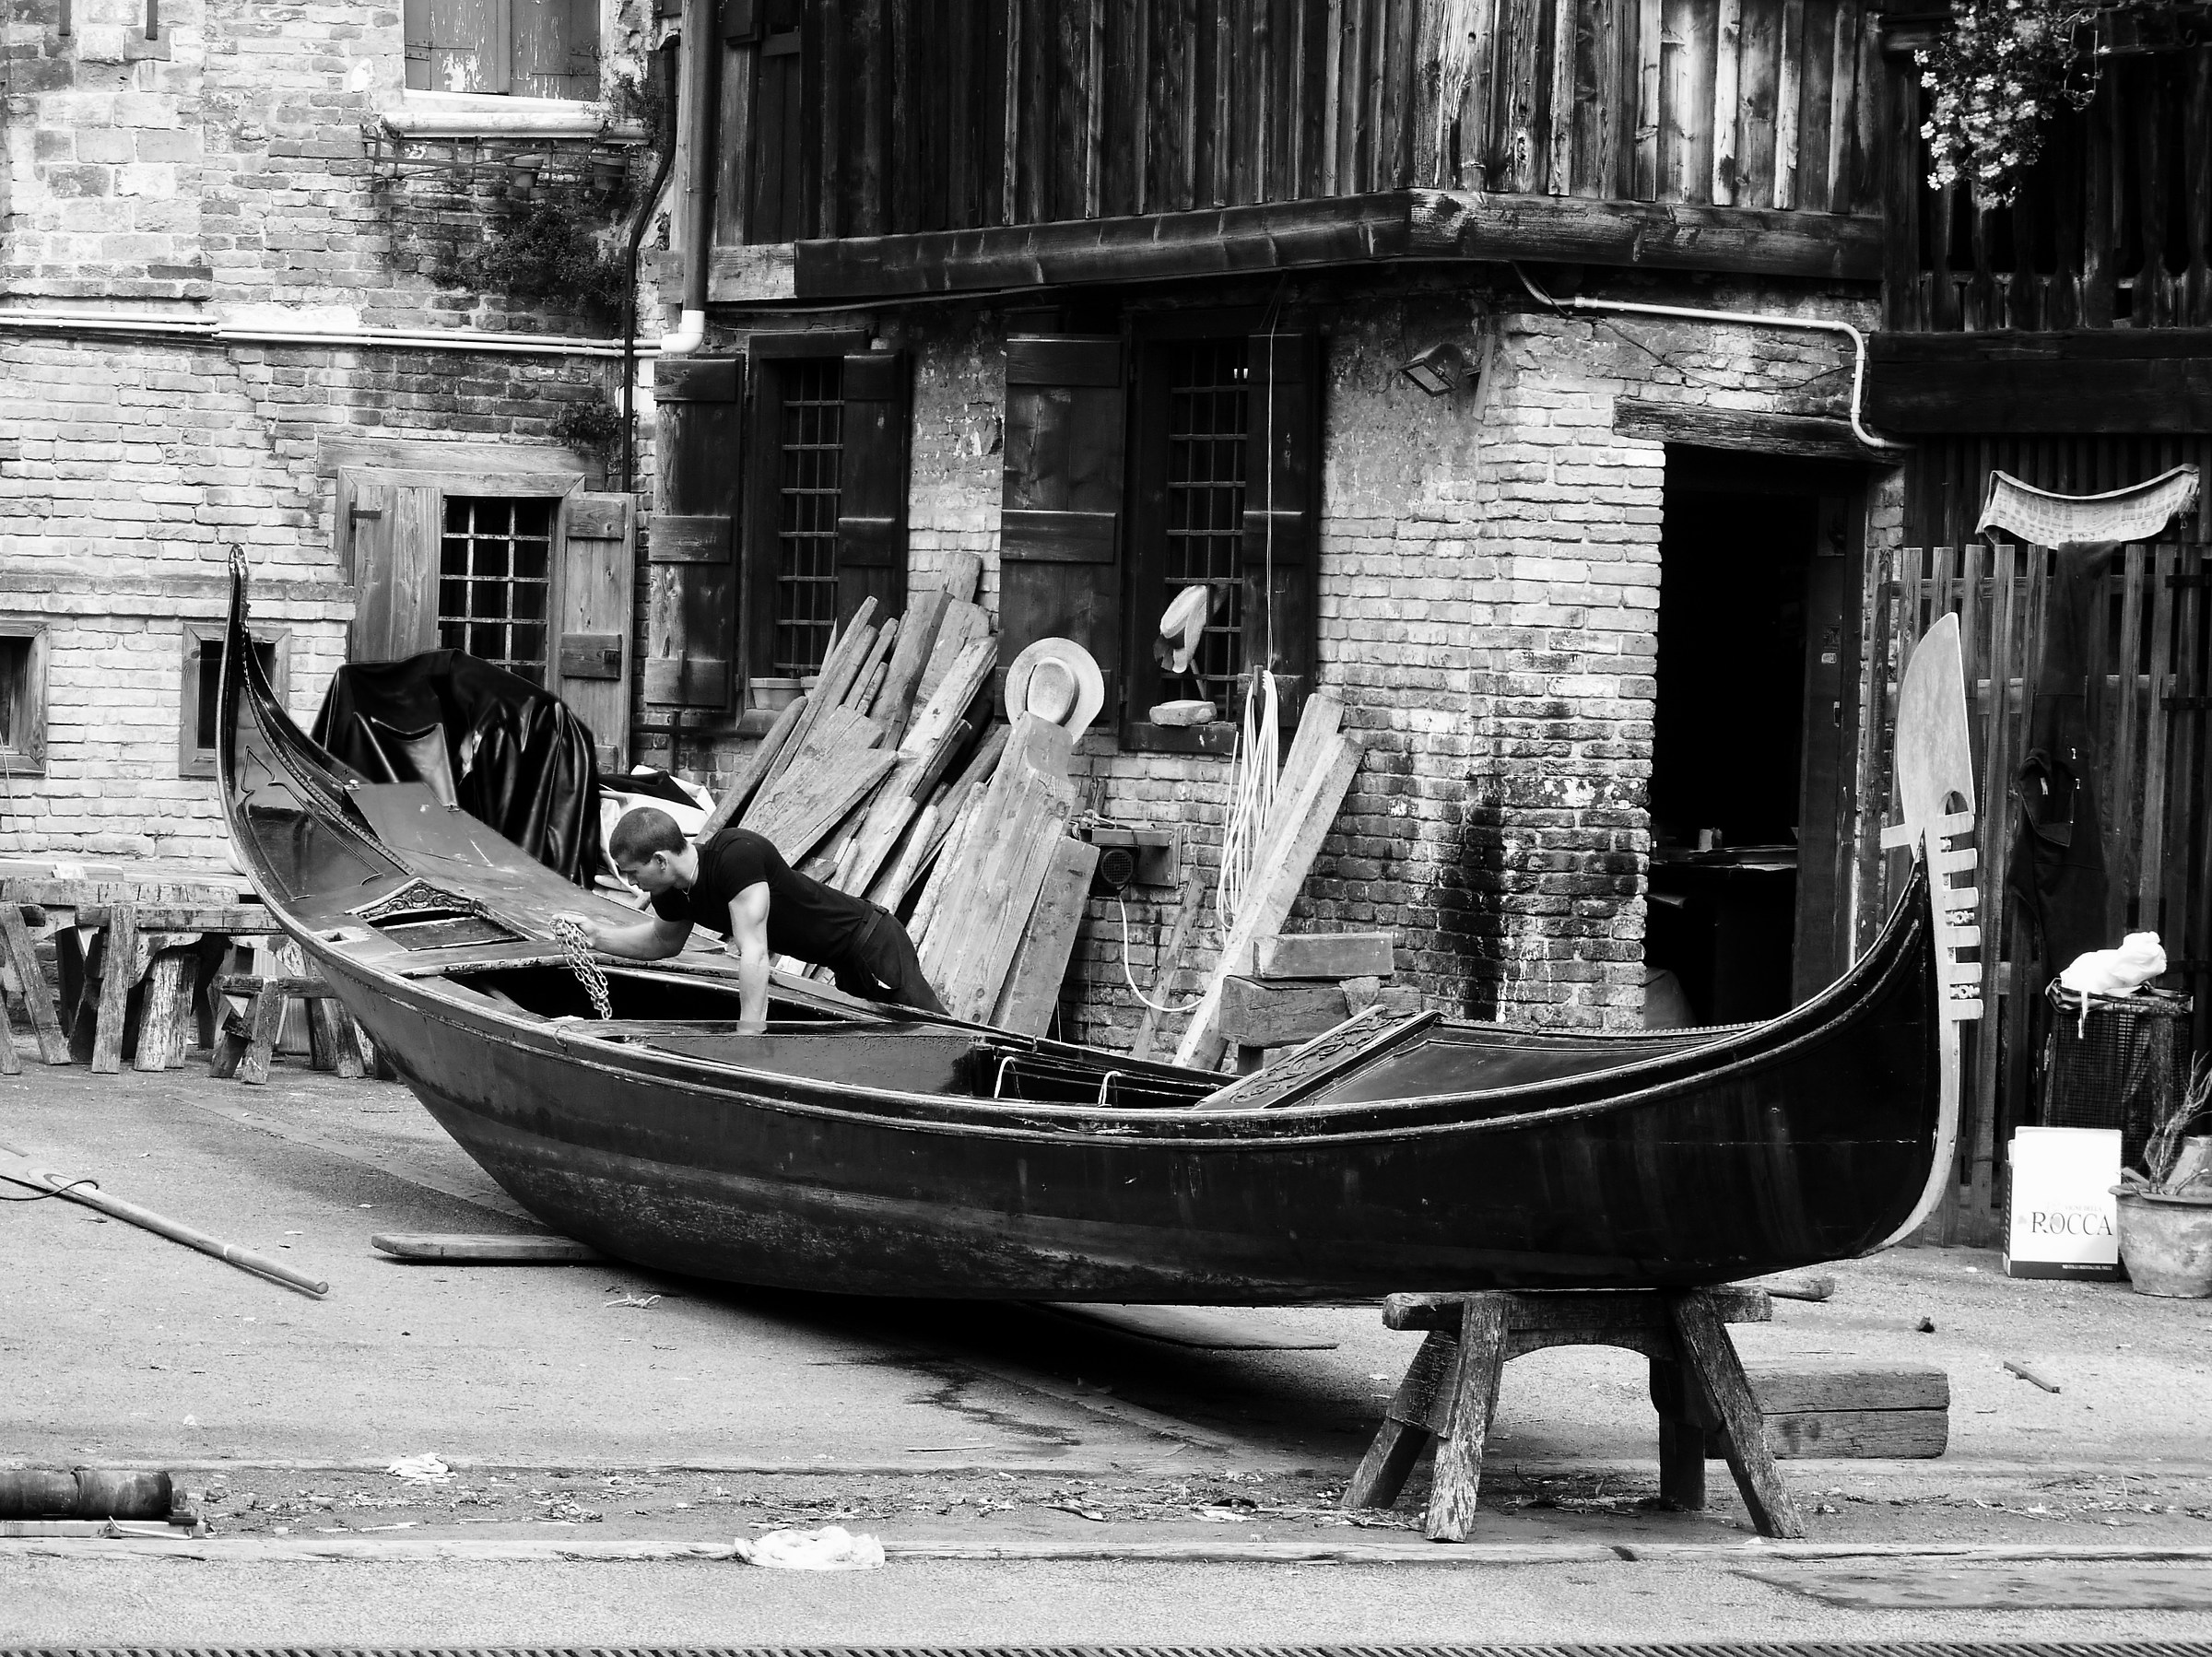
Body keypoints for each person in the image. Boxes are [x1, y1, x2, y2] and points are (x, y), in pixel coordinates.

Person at [556, 807, 945, 1031]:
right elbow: (662, 942)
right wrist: (597, 937)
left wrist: (748, 1036)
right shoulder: (671, 891)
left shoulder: (735, 855)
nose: (629, 881)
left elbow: (754, 952)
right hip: (842, 961)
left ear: (661, 859)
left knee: (941, 1035)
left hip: (871, 941)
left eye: (632, 871)